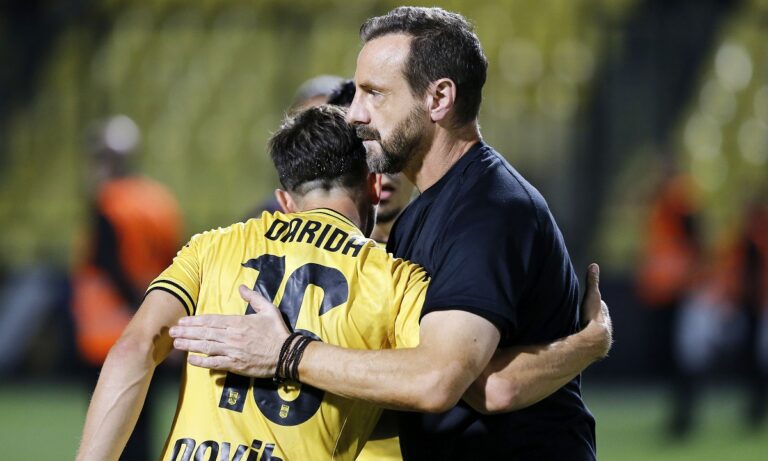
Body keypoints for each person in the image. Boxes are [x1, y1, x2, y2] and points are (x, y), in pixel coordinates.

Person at [171, 7, 611, 460]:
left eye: (374, 94)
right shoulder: (421, 215)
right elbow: (430, 386)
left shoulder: (489, 211)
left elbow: (442, 381)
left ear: (439, 98)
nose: (354, 115)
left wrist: (287, 354)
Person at [71, 114, 183, 460]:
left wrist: (139, 307)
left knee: (109, 437)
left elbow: (111, 268)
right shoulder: (159, 200)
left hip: (108, 336)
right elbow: (175, 264)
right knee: (142, 432)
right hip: (154, 329)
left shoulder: (108, 203)